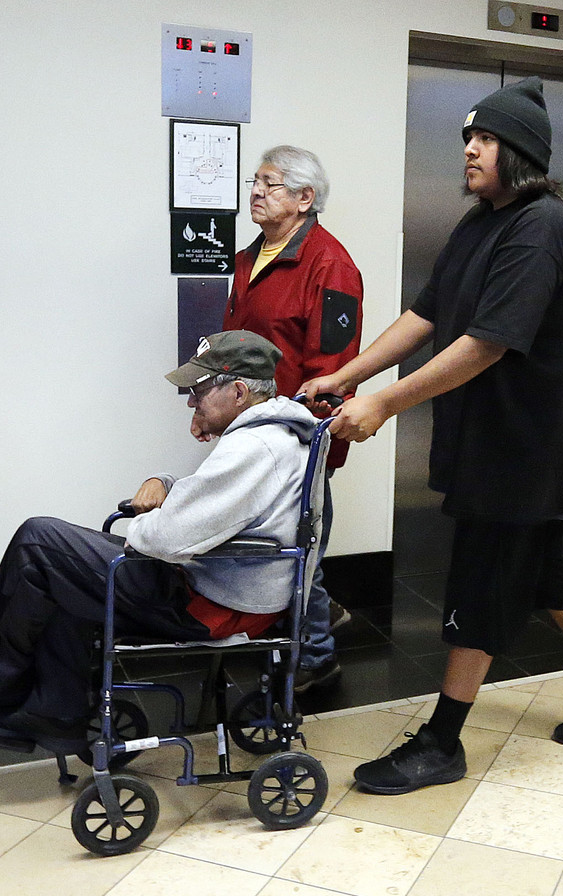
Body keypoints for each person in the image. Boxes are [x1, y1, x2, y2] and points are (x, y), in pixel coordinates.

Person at [301, 76, 563, 794]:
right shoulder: (480, 221)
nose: (468, 148)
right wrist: (347, 375)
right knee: (548, 570)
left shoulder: (540, 226)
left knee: (482, 584)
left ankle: (443, 740)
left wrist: (386, 404)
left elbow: (487, 342)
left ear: (520, 151)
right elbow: (426, 316)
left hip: (523, 447)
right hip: (490, 437)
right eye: (467, 136)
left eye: (484, 138)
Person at [0, 331, 317, 752]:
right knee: (59, 578)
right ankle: (54, 713)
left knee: (38, 541)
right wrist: (163, 483)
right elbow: (216, 502)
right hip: (217, 588)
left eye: (199, 391)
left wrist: (148, 521)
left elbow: (165, 539)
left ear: (237, 391)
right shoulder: (265, 437)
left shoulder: (255, 447)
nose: (190, 402)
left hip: (210, 604)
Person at [222, 145, 363, 692]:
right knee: (278, 543)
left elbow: (332, 366)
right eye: (255, 182)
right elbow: (234, 348)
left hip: (296, 436)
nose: (256, 193)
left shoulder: (331, 266)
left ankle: (317, 655)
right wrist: (211, 411)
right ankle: (320, 617)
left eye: (271, 184)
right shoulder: (248, 257)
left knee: (296, 545)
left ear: (306, 198)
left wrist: (312, 438)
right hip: (250, 432)